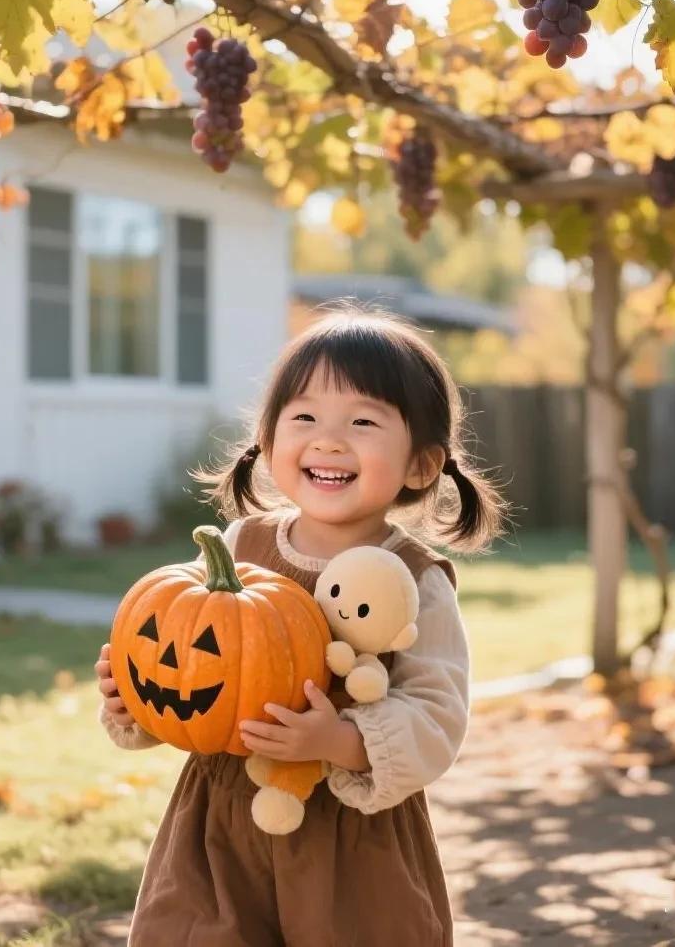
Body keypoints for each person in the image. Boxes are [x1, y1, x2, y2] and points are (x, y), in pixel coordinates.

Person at [94, 307, 506, 946]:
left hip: (350, 843)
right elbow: (197, 669)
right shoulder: (238, 547)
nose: (329, 440)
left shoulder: (415, 577)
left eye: (363, 422)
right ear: (267, 437)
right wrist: (134, 703)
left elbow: (437, 714)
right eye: (305, 417)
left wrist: (340, 740)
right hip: (220, 826)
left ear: (421, 464)